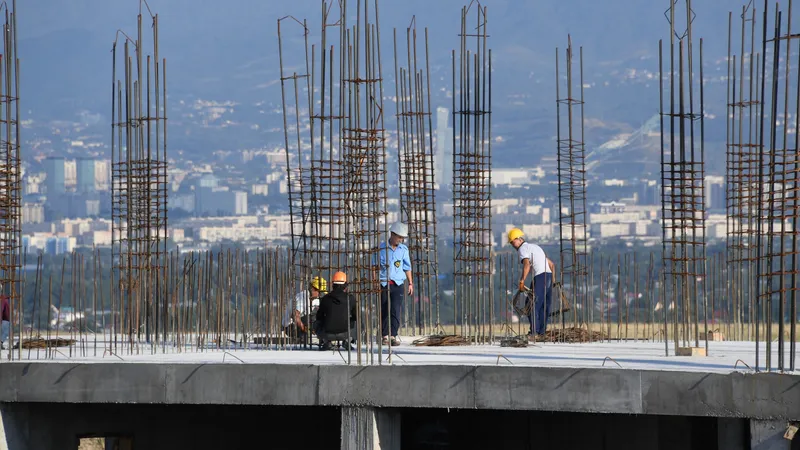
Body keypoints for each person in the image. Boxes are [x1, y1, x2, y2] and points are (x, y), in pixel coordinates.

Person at [508, 227, 556, 338]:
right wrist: (552, 281)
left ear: (519, 239)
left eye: (513, 242)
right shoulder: (535, 247)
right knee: (544, 306)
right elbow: (552, 264)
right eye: (511, 243)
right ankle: (542, 333)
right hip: (548, 275)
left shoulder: (523, 249)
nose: (512, 245)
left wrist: (522, 280)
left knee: (531, 305)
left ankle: (534, 332)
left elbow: (527, 264)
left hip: (540, 277)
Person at [378, 221, 412, 346]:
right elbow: (374, 267)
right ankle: (385, 335)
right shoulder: (381, 249)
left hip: (398, 284)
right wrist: (375, 282)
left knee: (395, 310)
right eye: (399, 237)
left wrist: (410, 283)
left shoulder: (403, 250)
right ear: (392, 234)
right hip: (384, 283)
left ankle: (393, 335)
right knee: (384, 309)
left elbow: (407, 268)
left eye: (402, 238)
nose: (401, 240)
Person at [315, 271, 357, 351]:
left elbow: (319, 316)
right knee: (358, 321)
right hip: (346, 333)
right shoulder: (350, 298)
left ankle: (326, 342)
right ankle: (347, 341)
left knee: (316, 322)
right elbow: (356, 316)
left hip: (327, 333)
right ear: (345, 285)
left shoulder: (325, 298)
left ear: (333, 285)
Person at [282, 276, 327, 343]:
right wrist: (305, 329)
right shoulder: (303, 298)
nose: (319, 295)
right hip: (290, 326)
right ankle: (304, 338)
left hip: (303, 322)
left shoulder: (315, 299)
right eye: (319, 292)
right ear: (312, 289)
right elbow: (295, 315)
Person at [1, 286, 9, 351]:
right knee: (7, 328)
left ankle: (0, 342)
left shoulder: (3, 299)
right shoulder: (3, 299)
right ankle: (0, 342)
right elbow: (6, 314)